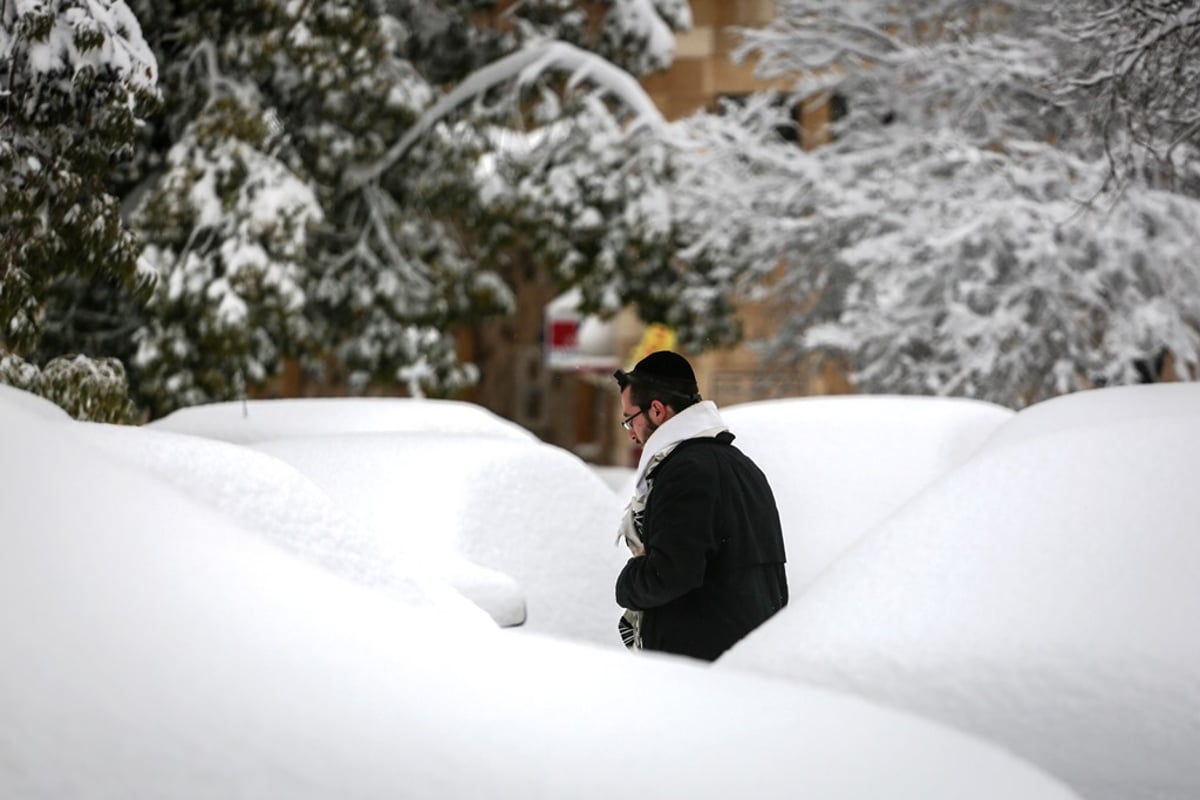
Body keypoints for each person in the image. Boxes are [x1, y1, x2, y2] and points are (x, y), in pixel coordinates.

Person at [612, 350, 788, 661]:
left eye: (630, 420)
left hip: (698, 672)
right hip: (747, 658)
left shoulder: (686, 471)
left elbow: (669, 574)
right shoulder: (739, 465)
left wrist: (627, 583)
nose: (631, 435)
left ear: (656, 410)